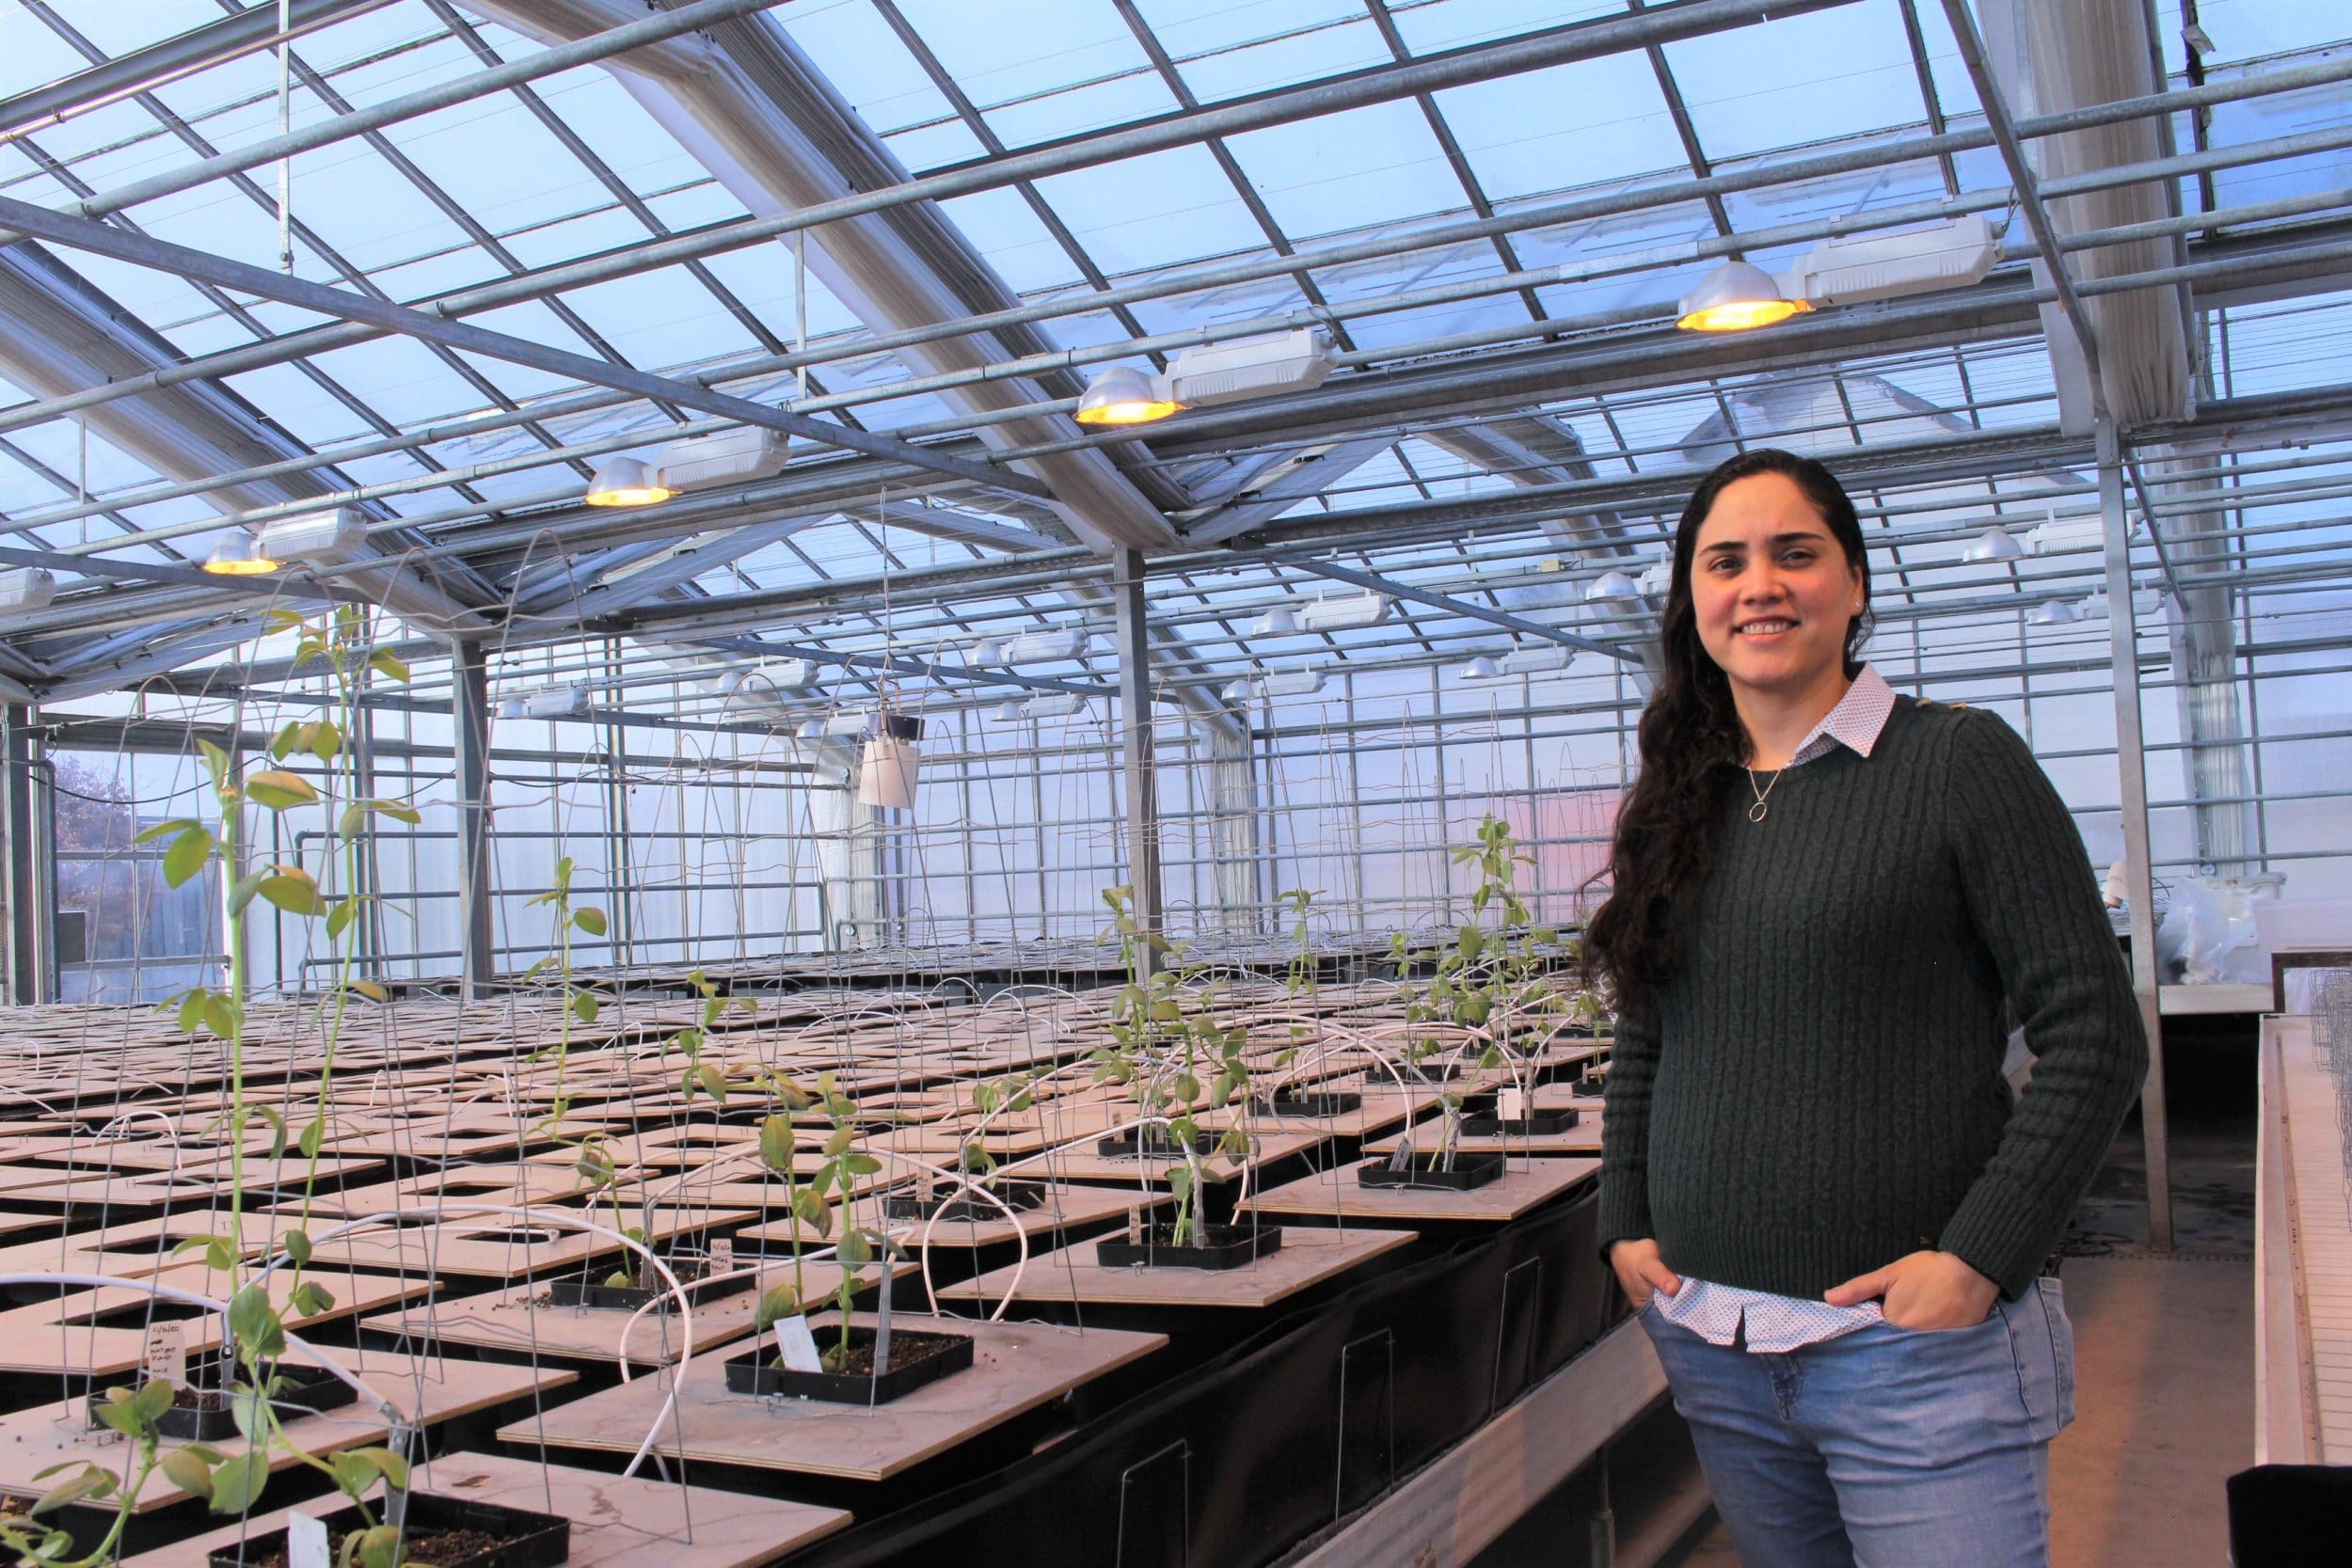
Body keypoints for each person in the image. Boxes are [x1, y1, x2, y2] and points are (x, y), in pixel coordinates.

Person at [1582, 448, 2148, 1568]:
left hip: (1913, 1353)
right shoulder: (1681, 798)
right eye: (1725, 560)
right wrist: (1625, 1215)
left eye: (1796, 553)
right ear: (1690, 597)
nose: (1760, 585)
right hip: (1714, 1336)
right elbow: (1650, 1028)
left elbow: (2095, 1033)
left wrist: (1980, 1256)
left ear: (1852, 582)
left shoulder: (1954, 760)